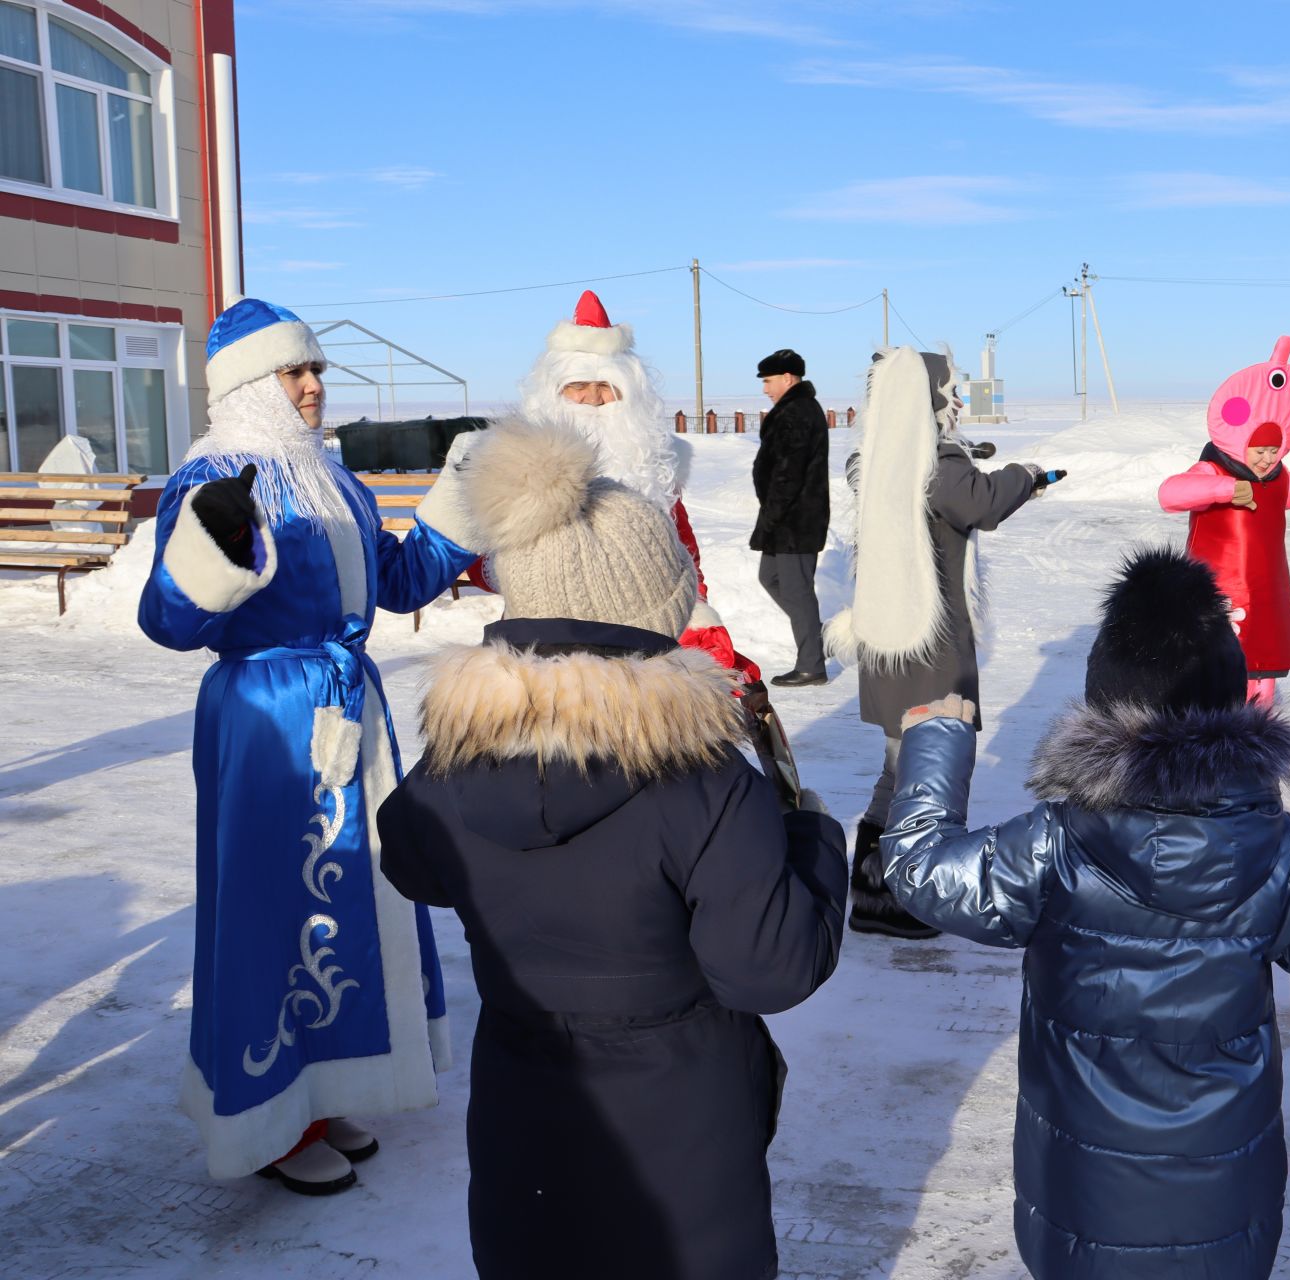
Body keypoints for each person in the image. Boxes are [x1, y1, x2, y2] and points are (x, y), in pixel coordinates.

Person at [375, 417, 848, 1280]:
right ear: (652, 606)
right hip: (683, 1125)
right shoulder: (704, 783)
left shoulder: (456, 759)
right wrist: (813, 840)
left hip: (524, 1112)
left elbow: (411, 861)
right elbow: (768, 970)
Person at [878, 548, 1290, 1279]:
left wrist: (936, 740)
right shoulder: (1272, 846)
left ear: (1104, 698)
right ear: (1231, 699)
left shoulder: (1056, 840)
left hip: (1081, 1195)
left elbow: (920, 870)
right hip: (1223, 1191)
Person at [137, 299, 480, 1194]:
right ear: (253, 385)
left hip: (344, 710)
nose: (315, 384)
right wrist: (214, 542)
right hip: (266, 720)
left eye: (316, 368)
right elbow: (169, 620)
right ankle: (268, 1116)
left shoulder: (334, 481)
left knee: (350, 898)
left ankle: (321, 1091)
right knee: (268, 906)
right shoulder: (212, 478)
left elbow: (397, 581)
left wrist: (458, 511)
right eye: (296, 371)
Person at [827, 345, 1053, 939]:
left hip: (888, 641)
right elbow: (979, 501)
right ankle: (906, 900)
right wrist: (1025, 476)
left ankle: (874, 895)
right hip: (928, 647)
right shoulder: (936, 465)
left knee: (897, 768)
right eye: (949, 391)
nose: (955, 400)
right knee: (929, 769)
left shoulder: (874, 460)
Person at [517, 289, 760, 685]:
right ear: (553, 392)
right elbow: (487, 561)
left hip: (642, 631)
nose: (593, 399)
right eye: (578, 385)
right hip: (551, 634)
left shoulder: (656, 462)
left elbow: (681, 546)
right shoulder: (519, 464)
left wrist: (695, 607)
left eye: (606, 387)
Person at [1158, 335, 1290, 706]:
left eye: (1274, 452)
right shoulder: (1212, 468)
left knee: (1263, 669)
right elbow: (1170, 494)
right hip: (1216, 591)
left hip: (1266, 594)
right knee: (1215, 671)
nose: (1265, 459)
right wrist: (1224, 490)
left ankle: (1260, 724)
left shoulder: (1279, 477)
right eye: (1260, 452)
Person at [750, 348, 830, 687]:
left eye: (768, 381)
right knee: (771, 577)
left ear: (787, 378)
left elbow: (788, 474)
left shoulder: (797, 412)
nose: (765, 389)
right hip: (784, 520)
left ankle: (812, 665)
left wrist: (771, 516)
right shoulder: (791, 410)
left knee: (797, 592)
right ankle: (813, 633)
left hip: (795, 521)